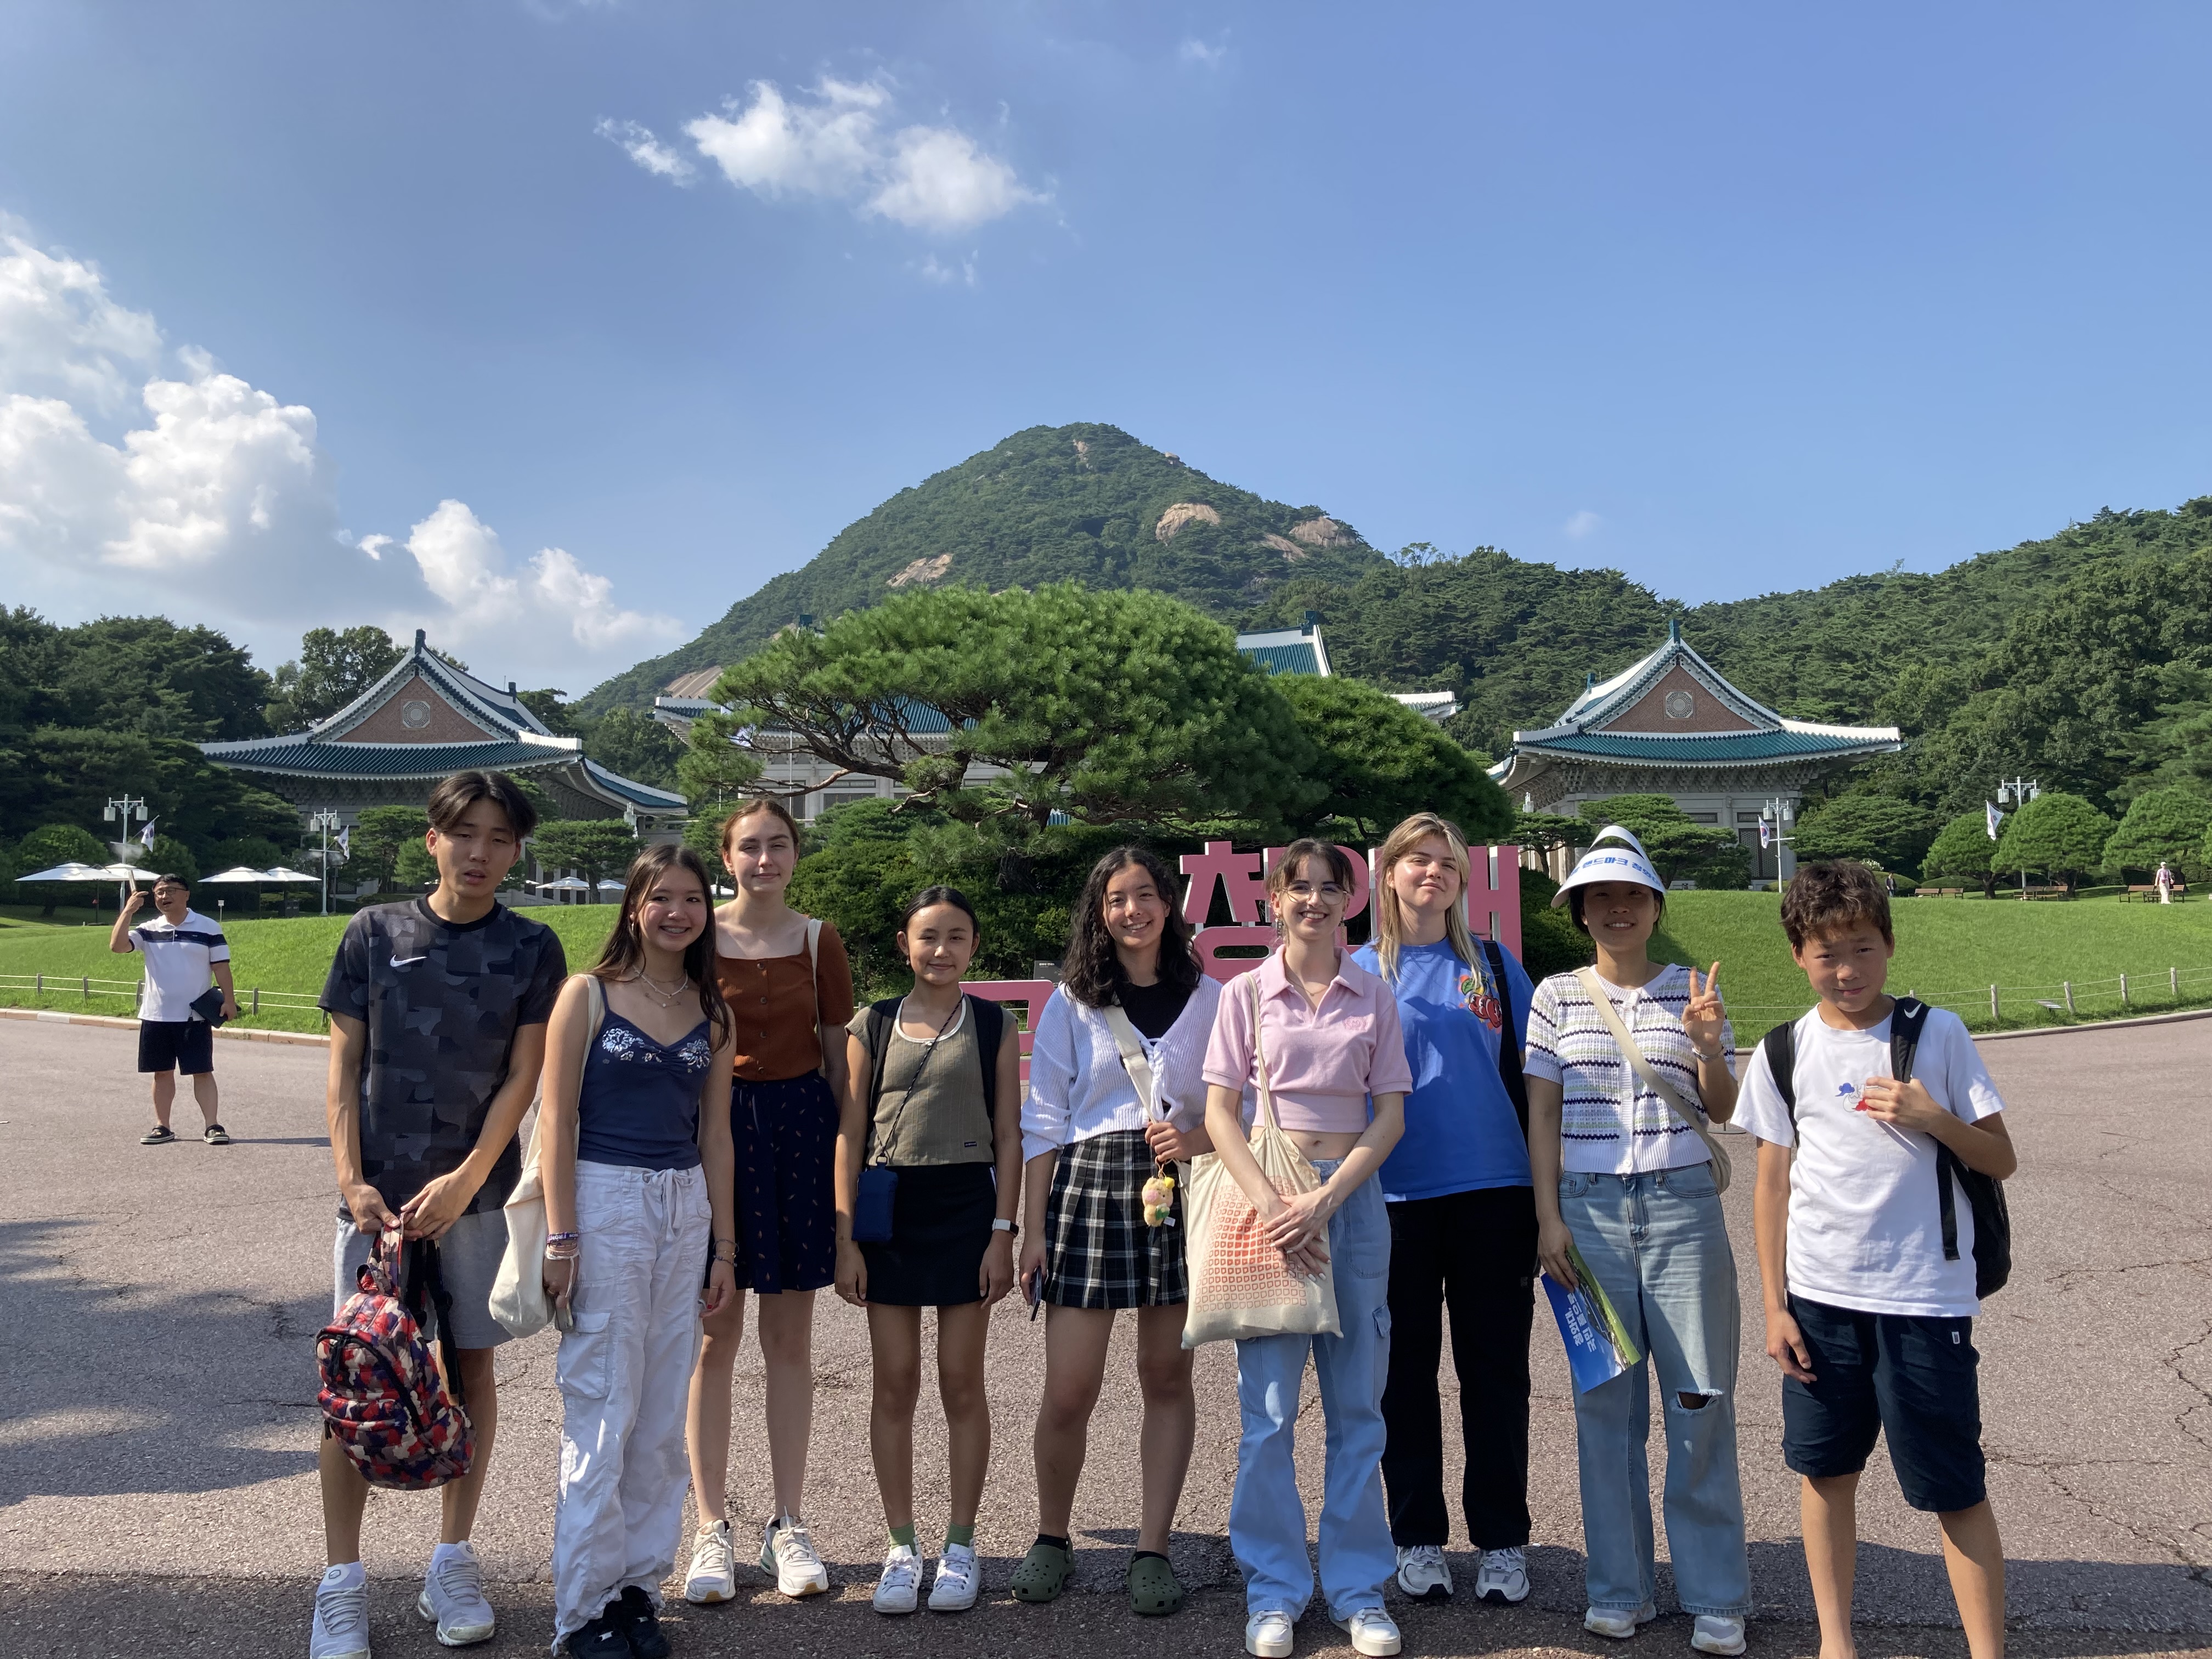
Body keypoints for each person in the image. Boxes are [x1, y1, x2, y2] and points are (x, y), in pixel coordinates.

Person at [309, 771, 565, 1659]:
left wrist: (466, 1178)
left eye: (500, 836)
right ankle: (341, 1581)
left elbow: (523, 1080)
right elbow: (344, 1067)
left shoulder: (533, 945)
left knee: (472, 1375)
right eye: (466, 833)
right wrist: (352, 1181)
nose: (481, 851)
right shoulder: (374, 931)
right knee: (357, 1374)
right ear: (433, 838)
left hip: (479, 1197)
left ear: (517, 850)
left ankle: (451, 1558)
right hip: (375, 1199)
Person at [1735, 861, 2016, 1659]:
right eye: (1827, 953)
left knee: (1953, 1485)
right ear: (1798, 955)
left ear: (1889, 945)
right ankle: (1835, 1642)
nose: (1847, 970)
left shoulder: (1940, 1035)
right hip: (1821, 1298)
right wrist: (1774, 1303)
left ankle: (1987, 1651)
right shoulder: (1785, 1048)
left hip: (1926, 1296)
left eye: (1861, 948)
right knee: (1825, 1473)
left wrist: (1934, 1116)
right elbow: (1771, 1182)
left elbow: (2001, 1159)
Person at [1523, 827, 1751, 1652]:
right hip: (1587, 1213)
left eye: (1632, 896)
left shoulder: (1694, 991)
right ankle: (1618, 1585)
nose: (1617, 909)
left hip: (1684, 1205)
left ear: (1655, 907)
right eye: (1600, 897)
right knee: (1605, 1406)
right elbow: (1541, 1112)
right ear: (1582, 911)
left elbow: (1723, 1109)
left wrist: (1705, 1045)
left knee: (1701, 1400)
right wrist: (1547, 1217)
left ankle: (1716, 1591)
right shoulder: (1555, 996)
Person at [1202, 839, 1411, 1659]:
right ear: (1273, 899)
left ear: (1350, 902)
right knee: (1269, 1416)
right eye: (1300, 889)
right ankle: (1275, 1589)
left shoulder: (1373, 994)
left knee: (1359, 1410)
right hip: (1270, 1205)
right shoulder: (1245, 993)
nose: (1315, 903)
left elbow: (1390, 1114)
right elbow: (1221, 1112)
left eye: (1330, 889)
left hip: (1351, 1207)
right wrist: (1274, 1205)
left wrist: (1326, 1199)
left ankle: (1359, 1588)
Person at [540, 844, 740, 1658]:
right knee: (604, 1406)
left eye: (693, 899)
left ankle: (634, 1590)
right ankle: (581, 1611)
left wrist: (724, 1248)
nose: (678, 913)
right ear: (635, 906)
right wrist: (562, 1234)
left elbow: (717, 1135)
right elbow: (555, 1122)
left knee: (660, 1414)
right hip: (605, 1197)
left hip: (683, 1203)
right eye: (662, 898)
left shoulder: (712, 1011)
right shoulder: (586, 995)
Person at [1013, 847, 1223, 1616]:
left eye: (1144, 896)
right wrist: (1030, 1232)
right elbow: (1043, 1120)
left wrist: (1197, 1141)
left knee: (1167, 1377)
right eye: (1114, 900)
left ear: (1169, 905)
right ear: (1098, 914)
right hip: (1091, 1187)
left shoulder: (1213, 995)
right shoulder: (1071, 999)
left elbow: (1239, 1102)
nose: (1131, 911)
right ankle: (1050, 1535)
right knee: (1070, 1388)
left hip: (1182, 1187)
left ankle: (1153, 1546)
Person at [1352, 813, 1538, 1607]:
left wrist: (1550, 1200)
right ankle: (1417, 1535)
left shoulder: (1495, 967)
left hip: (1496, 1192)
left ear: (1465, 881)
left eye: (1448, 864)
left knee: (1496, 1373)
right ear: (1387, 874)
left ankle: (1501, 1540)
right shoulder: (1359, 970)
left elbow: (1540, 1082)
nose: (1432, 873)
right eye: (1417, 861)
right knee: (1403, 1375)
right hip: (1392, 1198)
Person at [683, 798, 856, 1605]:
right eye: (749, 847)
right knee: (716, 1338)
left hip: (796, 1133)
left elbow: (836, 1067)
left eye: (778, 845)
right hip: (713, 1132)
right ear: (727, 857)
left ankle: (788, 1521)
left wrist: (841, 1172)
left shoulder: (820, 940)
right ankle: (711, 1526)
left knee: (790, 1342)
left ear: (796, 854)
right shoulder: (695, 935)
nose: (764, 860)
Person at [834, 886, 1022, 1616]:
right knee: (895, 1381)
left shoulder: (992, 1023)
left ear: (973, 946)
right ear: (904, 946)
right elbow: (850, 1134)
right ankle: (901, 1548)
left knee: (961, 1381)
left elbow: (1009, 1135)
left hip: (966, 1209)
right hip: (889, 1211)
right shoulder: (870, 1025)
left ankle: (963, 1547)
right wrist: (845, 1236)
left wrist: (1003, 1236)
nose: (940, 950)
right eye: (927, 937)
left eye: (955, 937)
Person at [110, 872, 238, 1144]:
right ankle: (162, 1126)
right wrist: (128, 911)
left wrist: (229, 999)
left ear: (186, 894)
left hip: (194, 1015)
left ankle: (213, 1126)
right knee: (161, 1072)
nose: (164, 897)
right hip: (156, 1014)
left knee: (202, 1071)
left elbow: (221, 966)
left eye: (170, 890)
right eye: (159, 893)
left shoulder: (208, 927)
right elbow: (118, 946)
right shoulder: (149, 929)